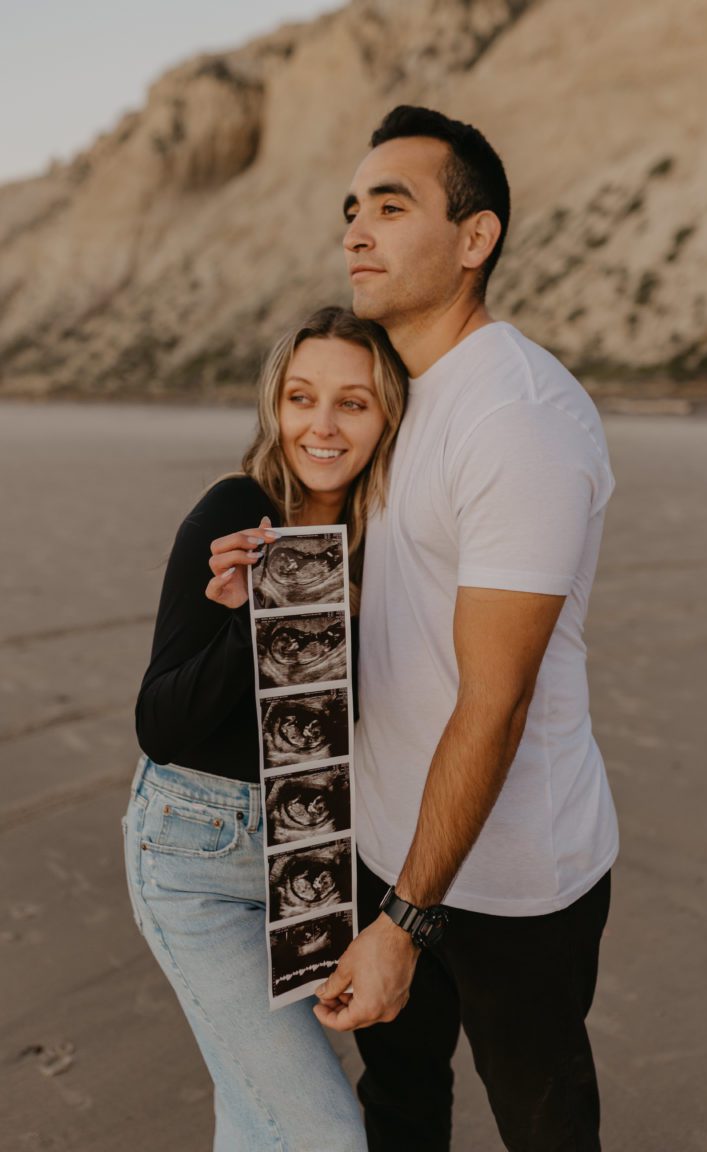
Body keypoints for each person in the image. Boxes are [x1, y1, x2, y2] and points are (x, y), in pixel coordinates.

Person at [314, 106, 619, 1152]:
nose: (357, 230)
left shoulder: (517, 416)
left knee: (542, 1121)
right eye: (353, 209)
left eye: (390, 208)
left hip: (508, 882)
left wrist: (405, 923)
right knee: (399, 1110)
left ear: (475, 238)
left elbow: (496, 698)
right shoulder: (401, 394)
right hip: (387, 845)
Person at [123, 306, 407, 1151]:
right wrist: (257, 622)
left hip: (317, 855)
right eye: (299, 398)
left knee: (258, 1115)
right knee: (322, 1133)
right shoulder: (237, 513)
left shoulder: (390, 537)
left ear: (388, 413)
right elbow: (159, 723)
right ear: (273, 408)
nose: (320, 426)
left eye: (352, 403)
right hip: (196, 853)